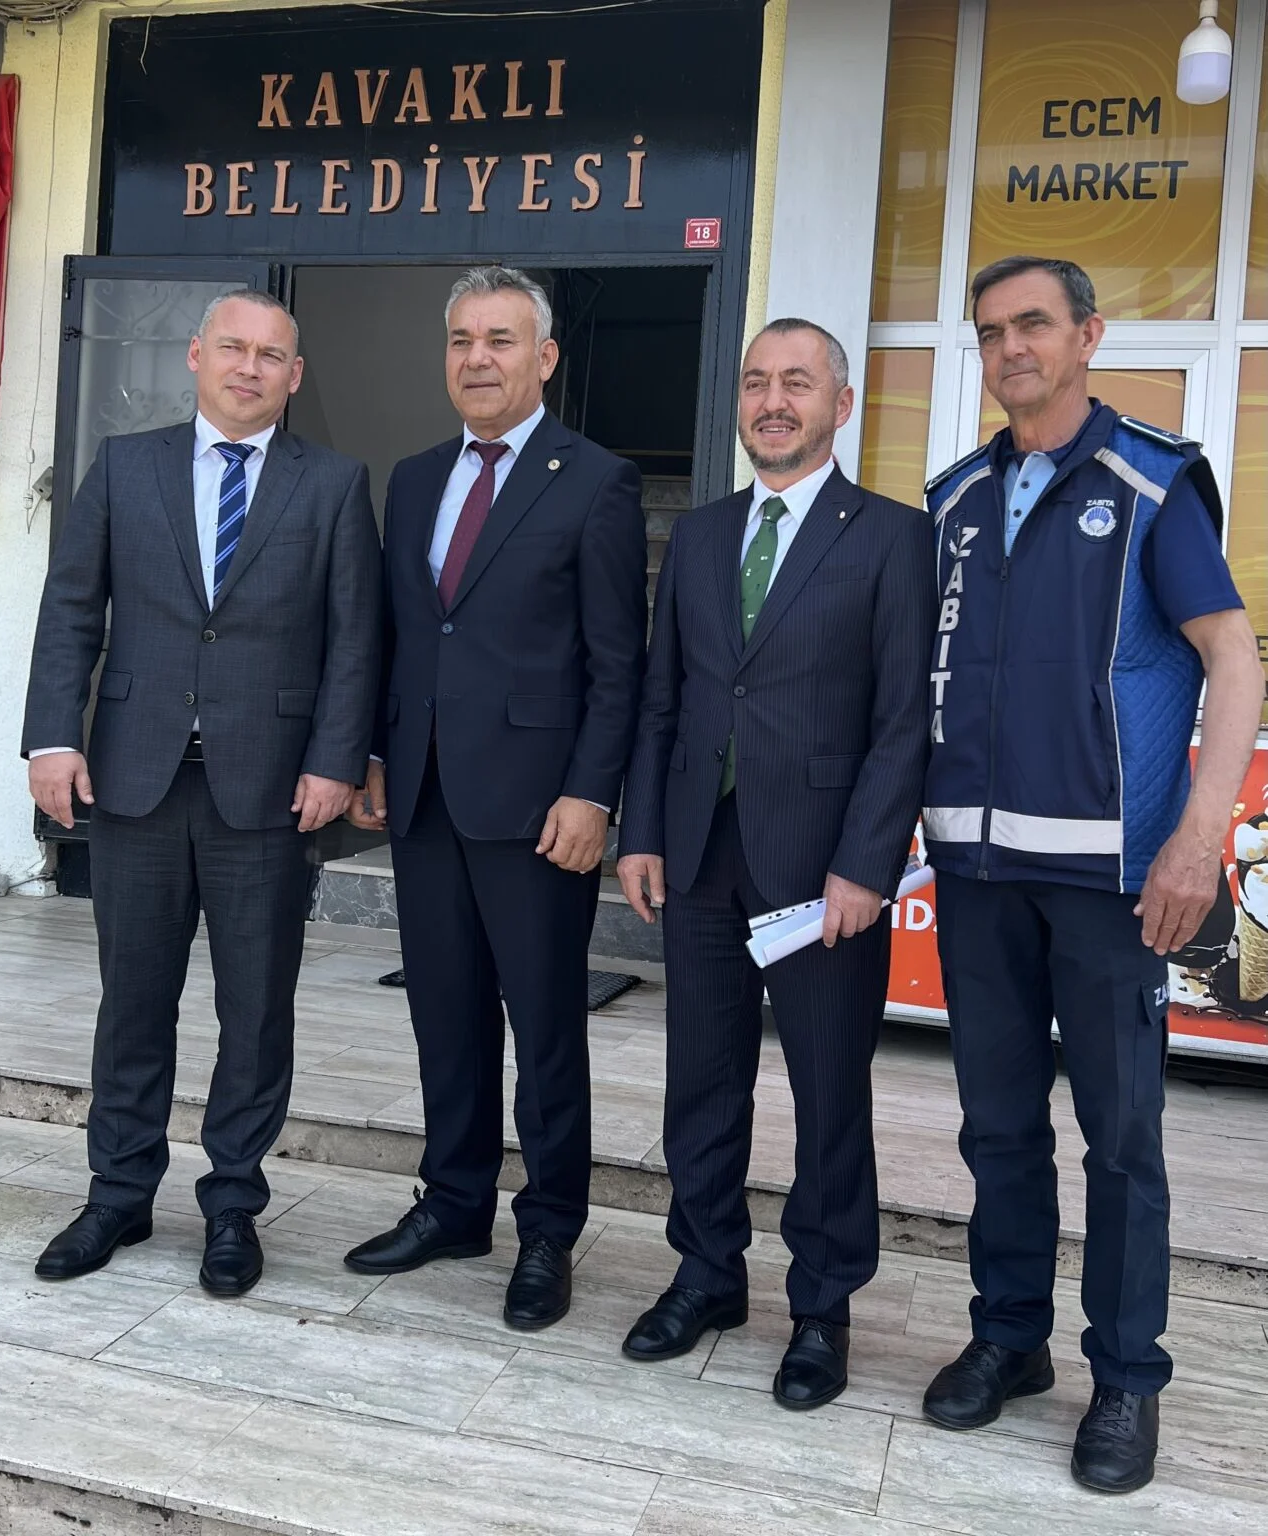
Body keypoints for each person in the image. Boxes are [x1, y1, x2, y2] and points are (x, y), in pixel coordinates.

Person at [920, 255, 1263, 1493]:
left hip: (1111, 881)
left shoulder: (1152, 482)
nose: (1010, 347)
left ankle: (1124, 1377)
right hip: (976, 873)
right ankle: (1007, 1338)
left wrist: (1196, 838)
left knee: (1119, 1140)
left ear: (1085, 336)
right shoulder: (954, 498)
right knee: (996, 1125)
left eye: (1033, 324)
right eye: (989, 331)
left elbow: (1232, 658)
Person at [23, 290, 382, 1295]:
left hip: (267, 792)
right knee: (133, 1001)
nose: (249, 367)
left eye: (271, 355)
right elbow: (71, 609)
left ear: (295, 375)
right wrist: (52, 738)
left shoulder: (334, 484)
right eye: (233, 347)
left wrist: (335, 759)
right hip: (133, 780)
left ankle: (232, 1205)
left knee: (256, 1010)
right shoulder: (124, 465)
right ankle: (118, 1194)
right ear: (196, 355)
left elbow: (356, 637)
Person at [616, 318, 937, 1409]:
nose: (771, 401)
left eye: (796, 383)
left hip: (821, 872)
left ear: (840, 405)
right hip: (699, 855)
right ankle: (705, 1273)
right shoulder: (702, 535)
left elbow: (902, 721)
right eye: (756, 382)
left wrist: (865, 864)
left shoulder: (893, 537)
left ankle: (821, 1308)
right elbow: (663, 697)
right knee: (700, 1082)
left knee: (827, 1093)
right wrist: (643, 831)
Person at [344, 267, 647, 1331]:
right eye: (462, 340)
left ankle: (549, 1229)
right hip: (425, 796)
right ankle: (455, 1202)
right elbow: (400, 635)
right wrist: (377, 754)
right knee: (445, 1013)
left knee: (546, 1026)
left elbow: (618, 663)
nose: (477, 358)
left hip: (536, 810)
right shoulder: (416, 477)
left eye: (501, 340)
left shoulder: (596, 481)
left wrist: (591, 793)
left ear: (544, 357)